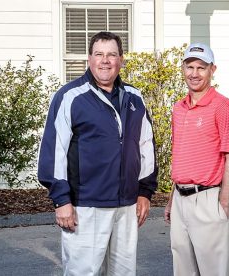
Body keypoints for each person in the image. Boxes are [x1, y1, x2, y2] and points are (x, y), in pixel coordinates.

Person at [38, 31, 158, 276]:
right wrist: (62, 200)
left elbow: (146, 146)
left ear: (121, 60)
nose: (105, 60)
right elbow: (54, 150)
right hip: (86, 206)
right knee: (84, 272)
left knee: (123, 273)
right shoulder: (70, 96)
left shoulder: (135, 97)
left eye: (112, 54)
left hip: (126, 206)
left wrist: (145, 192)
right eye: (99, 54)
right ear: (89, 59)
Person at [164, 43, 229, 276]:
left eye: (201, 67)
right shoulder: (179, 108)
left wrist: (224, 204)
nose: (194, 73)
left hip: (209, 198)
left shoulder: (223, 107)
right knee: (183, 270)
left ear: (212, 70)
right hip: (180, 199)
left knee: (216, 271)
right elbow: (179, 155)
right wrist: (170, 200)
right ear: (183, 69)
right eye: (190, 67)